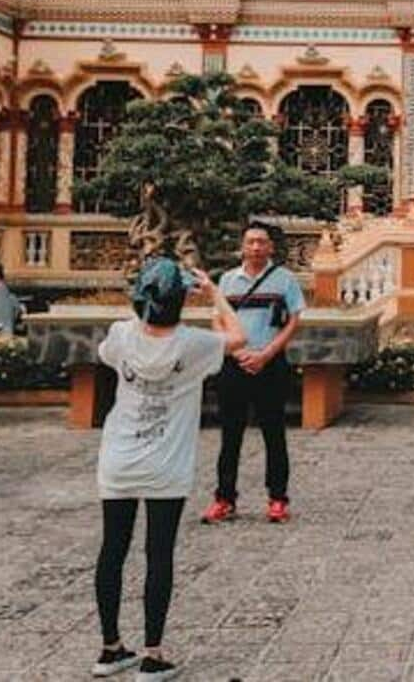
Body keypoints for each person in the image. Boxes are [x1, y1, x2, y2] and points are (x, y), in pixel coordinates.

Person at [92, 257, 245, 678]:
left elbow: (114, 348)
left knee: (112, 550)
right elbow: (238, 336)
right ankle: (153, 654)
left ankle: (110, 648)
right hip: (165, 463)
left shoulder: (121, 336)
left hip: (118, 459)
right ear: (182, 301)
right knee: (159, 554)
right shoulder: (193, 344)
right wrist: (214, 293)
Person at [201, 221, 306, 525]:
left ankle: (277, 498)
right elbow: (218, 319)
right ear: (242, 246)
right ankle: (224, 498)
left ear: (271, 247)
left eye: (262, 242)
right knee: (230, 434)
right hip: (234, 364)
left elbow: (293, 321)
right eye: (251, 242)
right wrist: (235, 351)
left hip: (270, 362)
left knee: (274, 433)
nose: (256, 247)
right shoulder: (228, 281)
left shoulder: (285, 280)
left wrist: (266, 353)